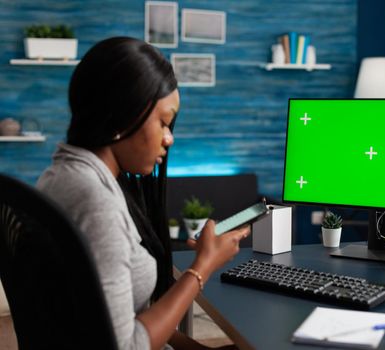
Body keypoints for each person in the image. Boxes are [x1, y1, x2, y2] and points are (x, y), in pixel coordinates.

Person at [37, 37, 250, 350]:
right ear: (122, 117)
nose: (169, 139)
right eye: (164, 122)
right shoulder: (95, 202)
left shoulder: (60, 176)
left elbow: (131, 319)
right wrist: (203, 266)